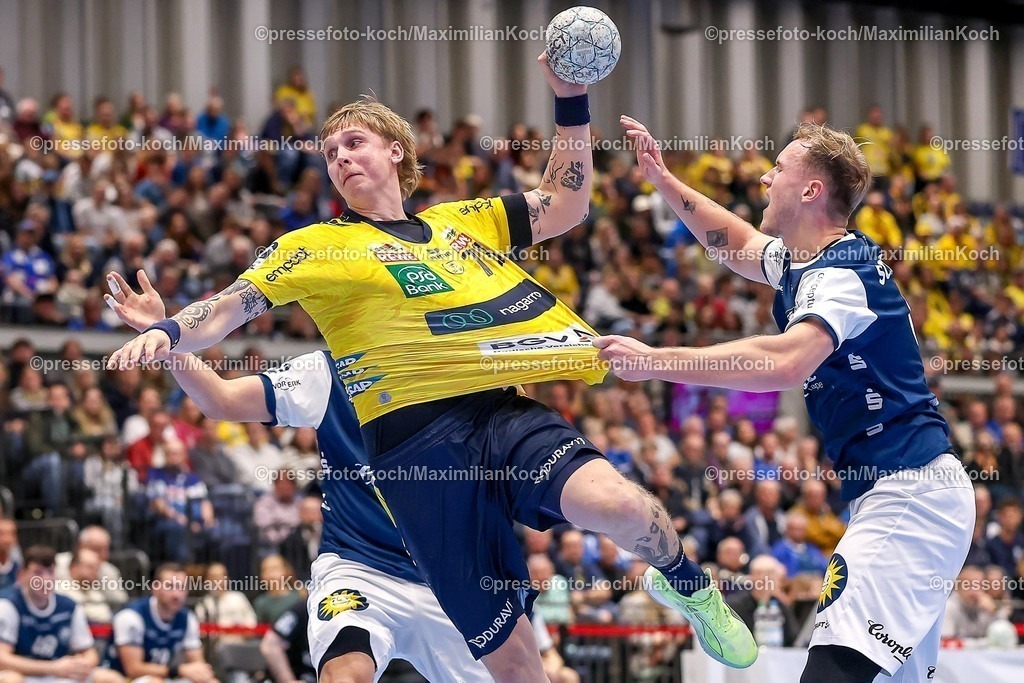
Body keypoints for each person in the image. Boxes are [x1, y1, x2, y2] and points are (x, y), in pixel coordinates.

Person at [106, 55, 757, 679]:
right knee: (517, 668)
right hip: (416, 454)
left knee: (617, 505)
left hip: (500, 410)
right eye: (330, 153)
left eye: (353, 143)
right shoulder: (314, 246)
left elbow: (565, 203)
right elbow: (225, 309)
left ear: (395, 149)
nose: (339, 158)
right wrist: (168, 331)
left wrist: (571, 101)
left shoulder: (463, 223)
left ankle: (691, 587)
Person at [597, 116, 974, 683]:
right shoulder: (805, 263)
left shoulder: (841, 275)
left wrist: (654, 360)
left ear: (811, 190)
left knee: (830, 669)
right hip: (900, 492)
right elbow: (737, 243)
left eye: (778, 169)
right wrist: (663, 179)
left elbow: (783, 362)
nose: (764, 180)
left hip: (909, 493)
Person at [104, 269, 495, 681]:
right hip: (357, 568)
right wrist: (167, 339)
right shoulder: (328, 372)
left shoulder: (464, 380)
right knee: (344, 673)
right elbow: (222, 399)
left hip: (449, 576)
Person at [0, 545, 122, 683]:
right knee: (11, 680)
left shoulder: (68, 606)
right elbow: (2, 660)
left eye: (50, 572)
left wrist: (81, 664)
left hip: (60, 673)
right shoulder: (9, 606)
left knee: (110, 678)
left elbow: (90, 653)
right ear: (22, 575)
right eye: (38, 573)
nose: (45, 580)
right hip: (24, 674)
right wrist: (52, 668)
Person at [103, 563, 216, 683]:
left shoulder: (187, 617)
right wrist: (179, 670)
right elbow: (133, 669)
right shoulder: (131, 616)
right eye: (170, 587)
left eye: (182, 587)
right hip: (119, 677)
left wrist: (205, 676)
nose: (176, 594)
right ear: (155, 588)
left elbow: (197, 663)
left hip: (162, 676)